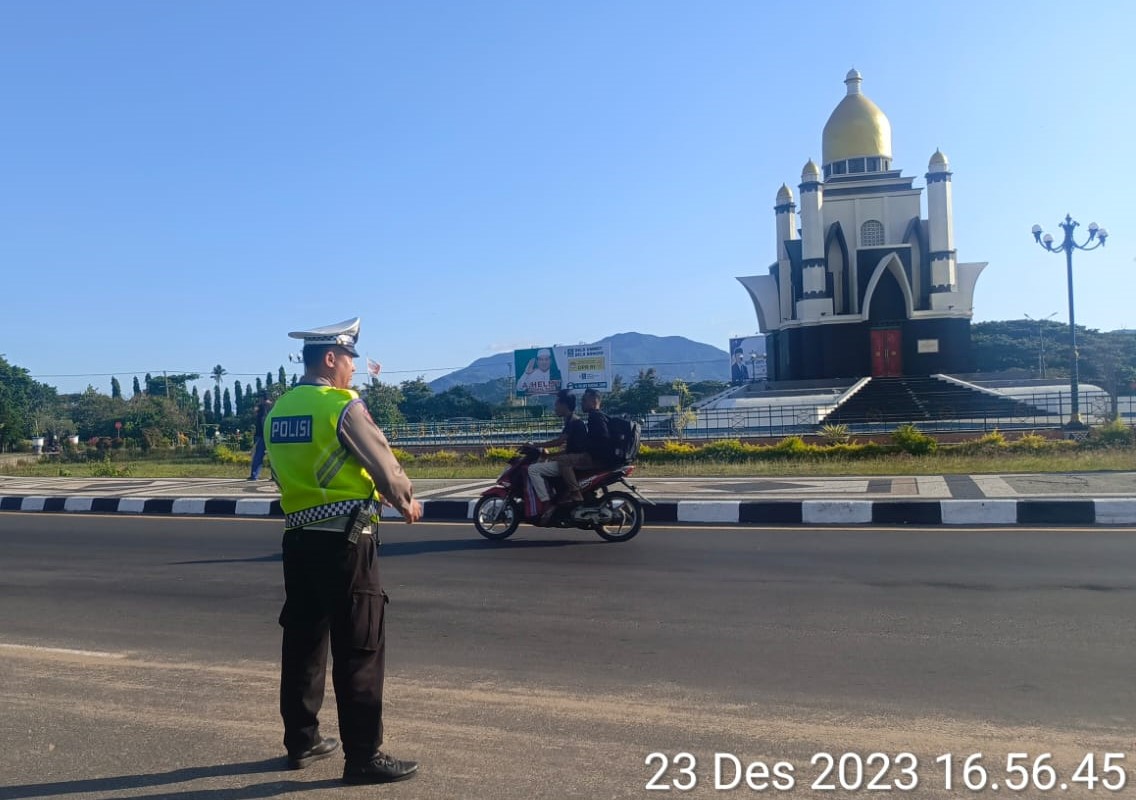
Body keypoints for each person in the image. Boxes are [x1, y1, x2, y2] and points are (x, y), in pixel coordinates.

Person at [264, 317, 424, 786]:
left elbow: (278, 471)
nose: (353, 368)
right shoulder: (341, 406)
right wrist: (406, 501)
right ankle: (363, 756)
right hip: (348, 541)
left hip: (298, 539)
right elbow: (384, 466)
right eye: (350, 358)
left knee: (304, 641)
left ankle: (302, 740)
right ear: (330, 358)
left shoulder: (279, 409)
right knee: (359, 645)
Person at [527, 389, 587, 522]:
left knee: (533, 469)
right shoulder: (572, 420)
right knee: (544, 464)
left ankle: (546, 502)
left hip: (574, 461)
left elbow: (559, 441)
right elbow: (570, 448)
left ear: (564, 405)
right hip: (573, 458)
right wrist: (550, 455)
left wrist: (535, 445)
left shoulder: (573, 422)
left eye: (556, 405)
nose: (555, 408)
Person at [247, 399, 273, 480]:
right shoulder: (270, 409)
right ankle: (275, 476)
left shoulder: (261, 409)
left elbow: (262, 421)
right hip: (269, 435)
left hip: (262, 435)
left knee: (258, 456)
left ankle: (254, 475)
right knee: (273, 457)